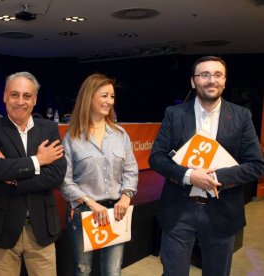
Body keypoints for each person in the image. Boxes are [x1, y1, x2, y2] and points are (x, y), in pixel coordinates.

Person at [149, 56, 264, 276]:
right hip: (179, 210)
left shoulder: (241, 116)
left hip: (222, 210)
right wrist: (190, 176)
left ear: (224, 80)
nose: (211, 80)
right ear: (193, 81)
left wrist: (214, 177)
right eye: (204, 75)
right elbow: (157, 158)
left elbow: (256, 165)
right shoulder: (174, 114)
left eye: (217, 75)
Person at [0, 71, 67, 276]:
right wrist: (39, 161)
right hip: (2, 228)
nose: (20, 101)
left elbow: (56, 174)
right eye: (14, 94)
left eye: (27, 96)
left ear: (35, 99)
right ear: (4, 96)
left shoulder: (49, 128)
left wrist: (15, 179)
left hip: (41, 228)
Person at [60, 73, 138, 276]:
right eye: (104, 96)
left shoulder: (120, 135)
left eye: (112, 97)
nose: (109, 101)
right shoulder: (72, 137)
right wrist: (91, 203)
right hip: (85, 212)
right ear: (89, 97)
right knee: (82, 270)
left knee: (112, 271)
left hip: (116, 213)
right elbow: (65, 181)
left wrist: (126, 196)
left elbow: (131, 170)